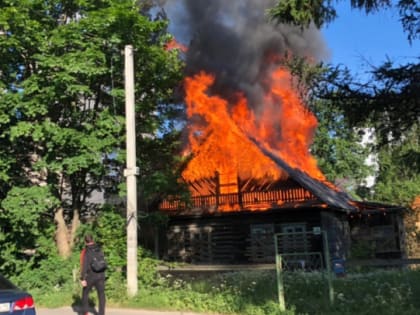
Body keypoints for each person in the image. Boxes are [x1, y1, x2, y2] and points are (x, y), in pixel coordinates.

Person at [80, 234, 106, 315]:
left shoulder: (86, 251)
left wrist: (83, 278)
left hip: (91, 276)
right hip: (101, 275)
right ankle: (101, 313)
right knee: (101, 295)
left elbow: (84, 265)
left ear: (85, 241)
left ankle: (85, 313)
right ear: (93, 240)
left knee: (85, 294)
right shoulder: (99, 249)